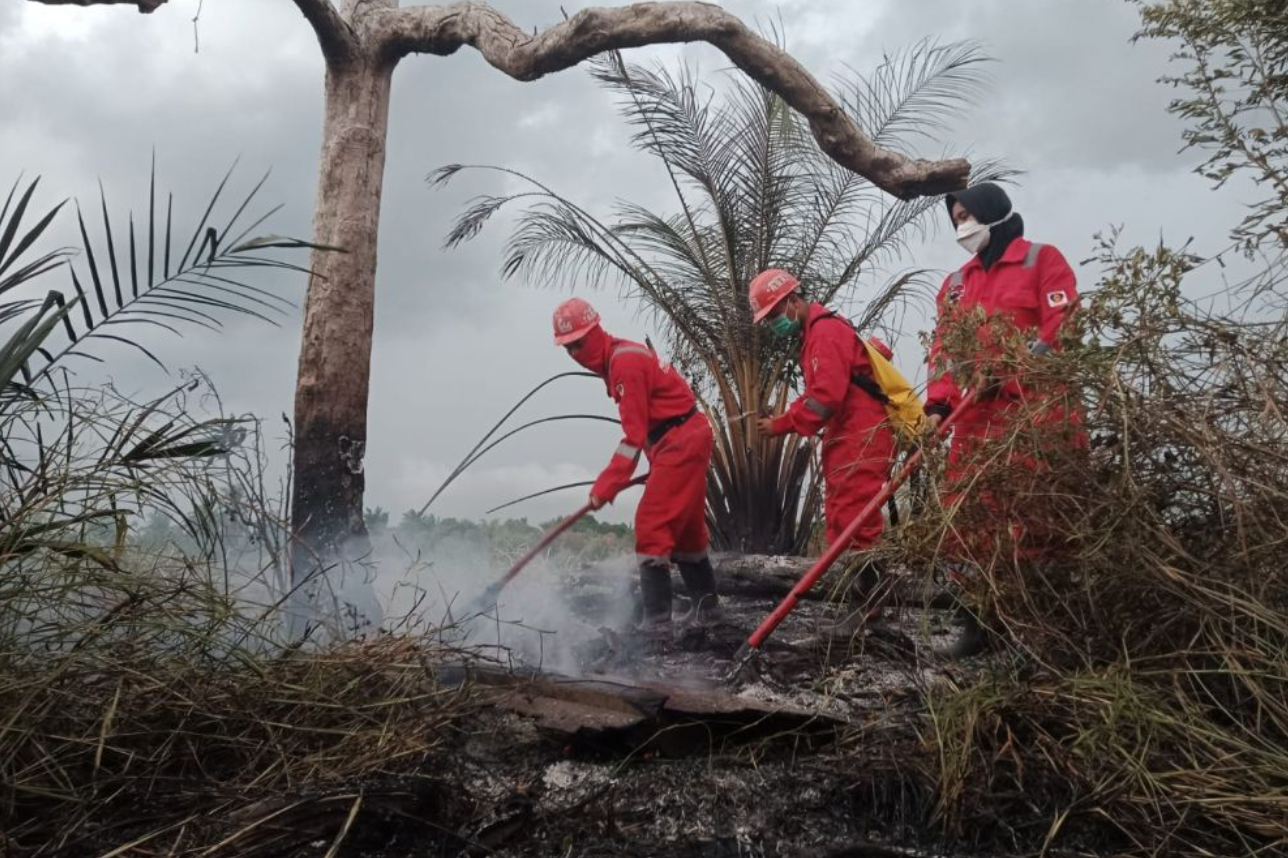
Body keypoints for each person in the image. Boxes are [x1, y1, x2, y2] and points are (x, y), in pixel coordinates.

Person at [925, 182, 1084, 658]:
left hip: (1034, 418)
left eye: (966, 217)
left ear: (992, 214)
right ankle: (976, 628)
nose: (962, 227)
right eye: (955, 221)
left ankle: (1042, 633)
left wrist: (1011, 372)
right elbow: (943, 353)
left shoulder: (1042, 261)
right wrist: (938, 407)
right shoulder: (954, 286)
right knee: (967, 521)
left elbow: (1063, 327)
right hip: (974, 424)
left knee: (1036, 521)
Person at [553, 297, 718, 644]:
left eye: (579, 344)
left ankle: (657, 624)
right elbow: (644, 434)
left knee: (652, 525)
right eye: (568, 348)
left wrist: (607, 484)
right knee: (686, 529)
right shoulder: (619, 358)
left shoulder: (624, 364)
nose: (575, 354)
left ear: (596, 331)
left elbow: (633, 437)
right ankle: (708, 609)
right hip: (679, 439)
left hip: (680, 441)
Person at [749, 269, 900, 627]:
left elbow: (824, 399)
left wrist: (781, 424)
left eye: (773, 315)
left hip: (859, 436)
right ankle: (860, 605)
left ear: (791, 301)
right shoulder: (817, 331)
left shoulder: (825, 332)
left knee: (856, 524)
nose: (773, 324)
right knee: (841, 520)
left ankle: (869, 610)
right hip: (848, 436)